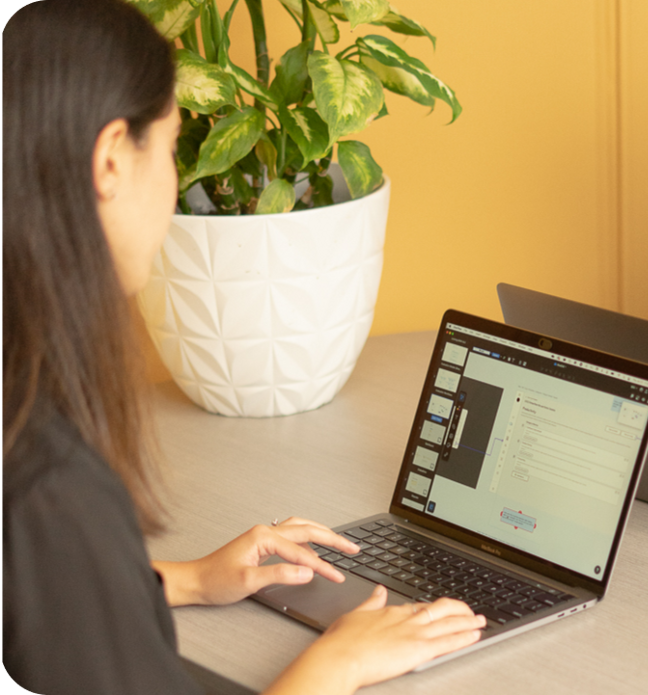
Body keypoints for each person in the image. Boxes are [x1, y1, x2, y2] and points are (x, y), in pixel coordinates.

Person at [1, 1, 485, 694]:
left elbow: (35, 599)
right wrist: (334, 664)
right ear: (110, 159)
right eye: (169, 149)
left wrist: (185, 580)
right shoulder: (48, 483)